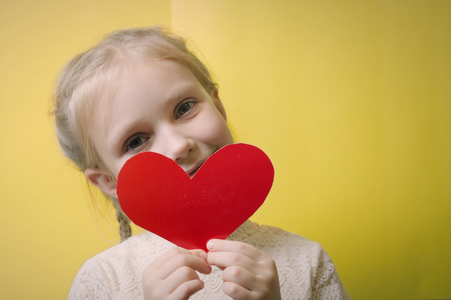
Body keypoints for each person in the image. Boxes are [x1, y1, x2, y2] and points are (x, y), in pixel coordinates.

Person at [54, 27, 349, 299]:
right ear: (108, 180)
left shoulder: (308, 261)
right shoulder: (102, 282)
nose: (179, 145)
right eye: (135, 141)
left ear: (218, 107)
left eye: (184, 108)